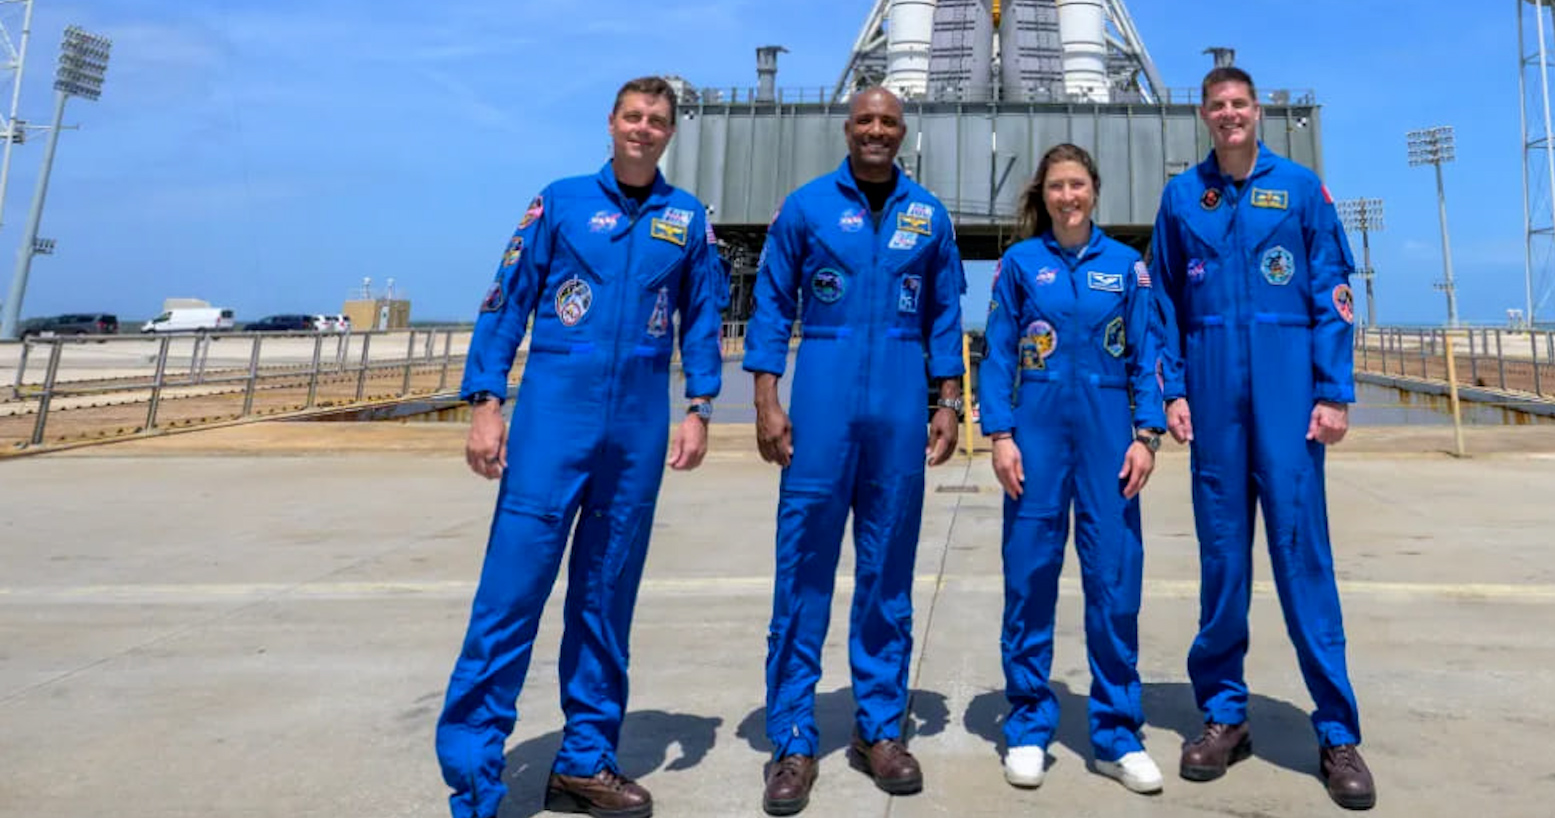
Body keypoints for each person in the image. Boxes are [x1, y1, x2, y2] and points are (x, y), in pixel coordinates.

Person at [436, 76, 726, 818]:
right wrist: (487, 401)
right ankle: (474, 778)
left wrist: (698, 406)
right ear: (611, 123)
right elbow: (506, 299)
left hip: (636, 428)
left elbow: (702, 317)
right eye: (633, 116)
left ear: (670, 132)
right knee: (510, 596)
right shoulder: (561, 202)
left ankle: (585, 761)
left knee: (605, 599)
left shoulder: (686, 219)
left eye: (657, 120)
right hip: (552, 420)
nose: (644, 128)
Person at [1148, 66, 1377, 810]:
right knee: (1222, 563)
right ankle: (1223, 717)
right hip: (1213, 401)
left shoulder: (1302, 190)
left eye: (1239, 104)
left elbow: (1332, 291)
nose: (1228, 115)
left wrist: (1333, 391)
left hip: (1287, 399)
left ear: (1258, 111)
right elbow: (1164, 305)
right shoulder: (1184, 198)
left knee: (1303, 561)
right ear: (1204, 117)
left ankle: (1337, 733)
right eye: (1216, 106)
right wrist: (1172, 392)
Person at [743, 86, 967, 816]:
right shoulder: (805, 208)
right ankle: (793, 739)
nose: (877, 131)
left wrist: (948, 401)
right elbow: (773, 305)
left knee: (887, 575)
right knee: (802, 570)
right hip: (824, 400)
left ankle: (878, 730)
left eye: (889, 123)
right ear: (848, 129)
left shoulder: (926, 215)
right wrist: (766, 399)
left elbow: (943, 314)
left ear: (903, 134)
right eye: (866, 120)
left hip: (900, 405)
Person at [976, 144, 1167, 794]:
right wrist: (999, 434)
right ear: (1044, 194)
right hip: (1035, 432)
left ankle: (1118, 732)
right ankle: (1029, 724)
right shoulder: (1021, 266)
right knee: (1029, 576)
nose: (1067, 196)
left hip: (1110, 435)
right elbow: (998, 352)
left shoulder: (1128, 267)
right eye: (1057, 186)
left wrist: (1147, 436)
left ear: (1094, 190)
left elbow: (1147, 357)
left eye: (1077, 185)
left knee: (1114, 580)